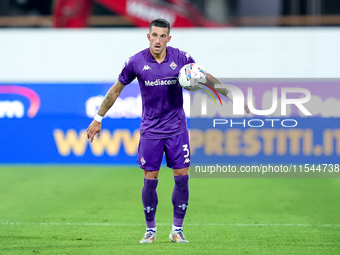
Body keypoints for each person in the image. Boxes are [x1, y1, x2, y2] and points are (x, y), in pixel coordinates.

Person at [87, 18, 248, 244]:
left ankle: (177, 230)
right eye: (155, 35)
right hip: (151, 130)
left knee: (182, 178)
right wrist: (97, 118)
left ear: (168, 38)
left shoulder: (181, 59)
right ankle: (150, 230)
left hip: (176, 129)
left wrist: (232, 97)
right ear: (148, 36)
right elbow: (115, 91)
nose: (158, 40)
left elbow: (206, 78)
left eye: (163, 36)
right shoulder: (135, 62)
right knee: (150, 179)